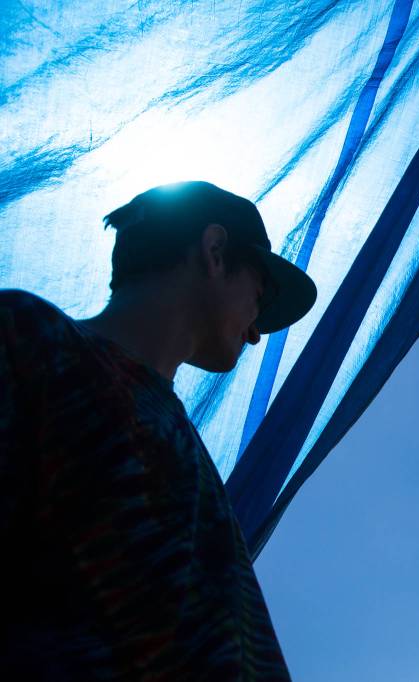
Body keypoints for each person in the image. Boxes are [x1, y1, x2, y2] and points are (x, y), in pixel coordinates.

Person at [0, 181, 317, 679]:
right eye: (258, 297)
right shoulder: (25, 339)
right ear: (215, 252)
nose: (257, 335)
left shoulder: (183, 441)